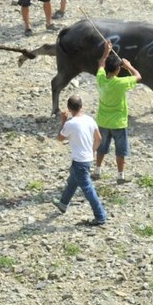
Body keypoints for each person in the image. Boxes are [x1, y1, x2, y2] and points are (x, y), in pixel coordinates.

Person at [52, 94, 107, 226]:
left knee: (88, 189)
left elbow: (60, 138)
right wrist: (92, 151)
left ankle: (100, 216)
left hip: (79, 161)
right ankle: (63, 203)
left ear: (69, 108)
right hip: (87, 159)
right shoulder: (90, 120)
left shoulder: (71, 124)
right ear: (81, 106)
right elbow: (98, 138)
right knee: (72, 181)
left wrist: (63, 121)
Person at [92, 39, 141, 184]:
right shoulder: (120, 83)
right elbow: (138, 77)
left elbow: (101, 63)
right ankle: (120, 176)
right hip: (118, 123)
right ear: (118, 70)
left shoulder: (100, 79)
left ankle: (97, 171)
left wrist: (106, 52)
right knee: (120, 151)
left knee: (101, 148)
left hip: (103, 121)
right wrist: (130, 66)